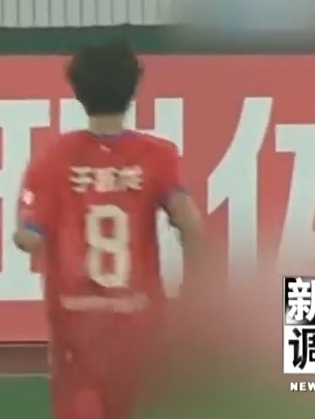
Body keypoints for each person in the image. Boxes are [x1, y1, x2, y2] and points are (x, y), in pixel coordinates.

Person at [12, 40, 205, 419]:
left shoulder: (54, 158)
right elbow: (192, 227)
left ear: (77, 91)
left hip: (75, 319)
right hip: (140, 318)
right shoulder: (157, 155)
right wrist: (191, 291)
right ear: (132, 89)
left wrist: (33, 231)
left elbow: (28, 236)